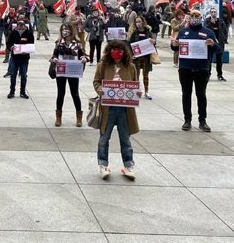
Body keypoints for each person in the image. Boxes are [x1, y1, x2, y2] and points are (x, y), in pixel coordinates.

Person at [93, 40, 139, 180]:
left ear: (124, 52)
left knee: (125, 139)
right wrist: (100, 89)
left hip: (125, 109)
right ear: (109, 51)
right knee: (104, 138)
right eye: (114, 49)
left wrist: (137, 93)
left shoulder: (130, 67)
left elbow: (135, 84)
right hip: (108, 108)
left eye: (120, 49)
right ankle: (103, 164)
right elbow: (96, 81)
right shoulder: (103, 66)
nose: (117, 52)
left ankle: (128, 165)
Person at [171, 10, 217, 132]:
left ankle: (202, 120)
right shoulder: (183, 32)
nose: (194, 18)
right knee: (186, 94)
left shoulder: (208, 32)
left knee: (201, 95)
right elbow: (174, 47)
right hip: (185, 68)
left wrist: (212, 44)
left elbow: (217, 48)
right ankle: (187, 120)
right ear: (189, 18)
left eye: (197, 16)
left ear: (201, 17)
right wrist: (175, 44)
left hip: (202, 68)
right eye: (192, 16)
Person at [50, 22, 87, 127]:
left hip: (73, 70)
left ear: (71, 30)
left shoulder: (77, 43)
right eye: (63, 29)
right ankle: (58, 117)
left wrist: (83, 58)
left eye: (66, 29)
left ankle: (79, 117)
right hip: (61, 70)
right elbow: (54, 55)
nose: (65, 31)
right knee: (60, 93)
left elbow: (83, 55)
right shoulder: (59, 43)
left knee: (75, 94)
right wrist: (55, 59)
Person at [6, 19, 34, 99]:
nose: (21, 27)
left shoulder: (28, 33)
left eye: (22, 25)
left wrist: (28, 50)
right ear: (17, 25)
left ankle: (22, 92)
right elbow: (8, 43)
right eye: (20, 25)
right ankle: (12, 91)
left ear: (25, 25)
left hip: (24, 58)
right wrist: (10, 47)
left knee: (24, 75)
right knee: (13, 74)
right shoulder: (13, 33)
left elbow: (31, 44)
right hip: (15, 57)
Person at [128, 15, 155, 99]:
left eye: (139, 21)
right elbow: (129, 45)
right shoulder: (134, 33)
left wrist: (153, 42)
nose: (138, 23)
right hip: (136, 57)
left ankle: (146, 91)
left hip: (146, 57)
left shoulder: (148, 32)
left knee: (146, 75)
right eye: (136, 22)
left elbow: (153, 44)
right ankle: (136, 91)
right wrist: (132, 55)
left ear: (143, 22)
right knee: (136, 74)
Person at [205, 6, 228, 81]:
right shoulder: (207, 21)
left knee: (219, 60)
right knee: (209, 59)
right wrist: (211, 23)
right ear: (210, 13)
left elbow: (225, 30)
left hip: (219, 43)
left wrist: (224, 39)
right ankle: (208, 74)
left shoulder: (220, 21)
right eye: (212, 12)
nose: (213, 13)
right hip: (211, 42)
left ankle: (220, 74)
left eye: (215, 12)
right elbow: (205, 29)